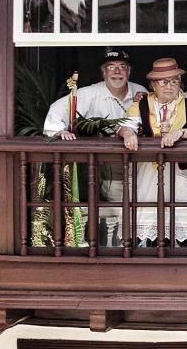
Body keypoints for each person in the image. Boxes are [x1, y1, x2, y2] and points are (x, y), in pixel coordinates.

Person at [42, 48, 148, 243]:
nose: (117, 72)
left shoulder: (140, 91)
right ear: (103, 72)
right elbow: (58, 109)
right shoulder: (90, 93)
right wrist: (59, 131)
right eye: (111, 67)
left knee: (144, 208)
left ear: (129, 72)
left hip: (142, 164)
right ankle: (123, 250)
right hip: (109, 168)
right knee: (123, 210)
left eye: (122, 67)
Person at [118, 58, 187, 247]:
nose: (169, 86)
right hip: (148, 172)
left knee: (181, 215)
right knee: (146, 212)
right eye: (163, 81)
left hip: (179, 172)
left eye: (174, 81)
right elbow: (125, 126)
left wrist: (180, 133)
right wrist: (128, 135)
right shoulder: (142, 104)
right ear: (153, 84)